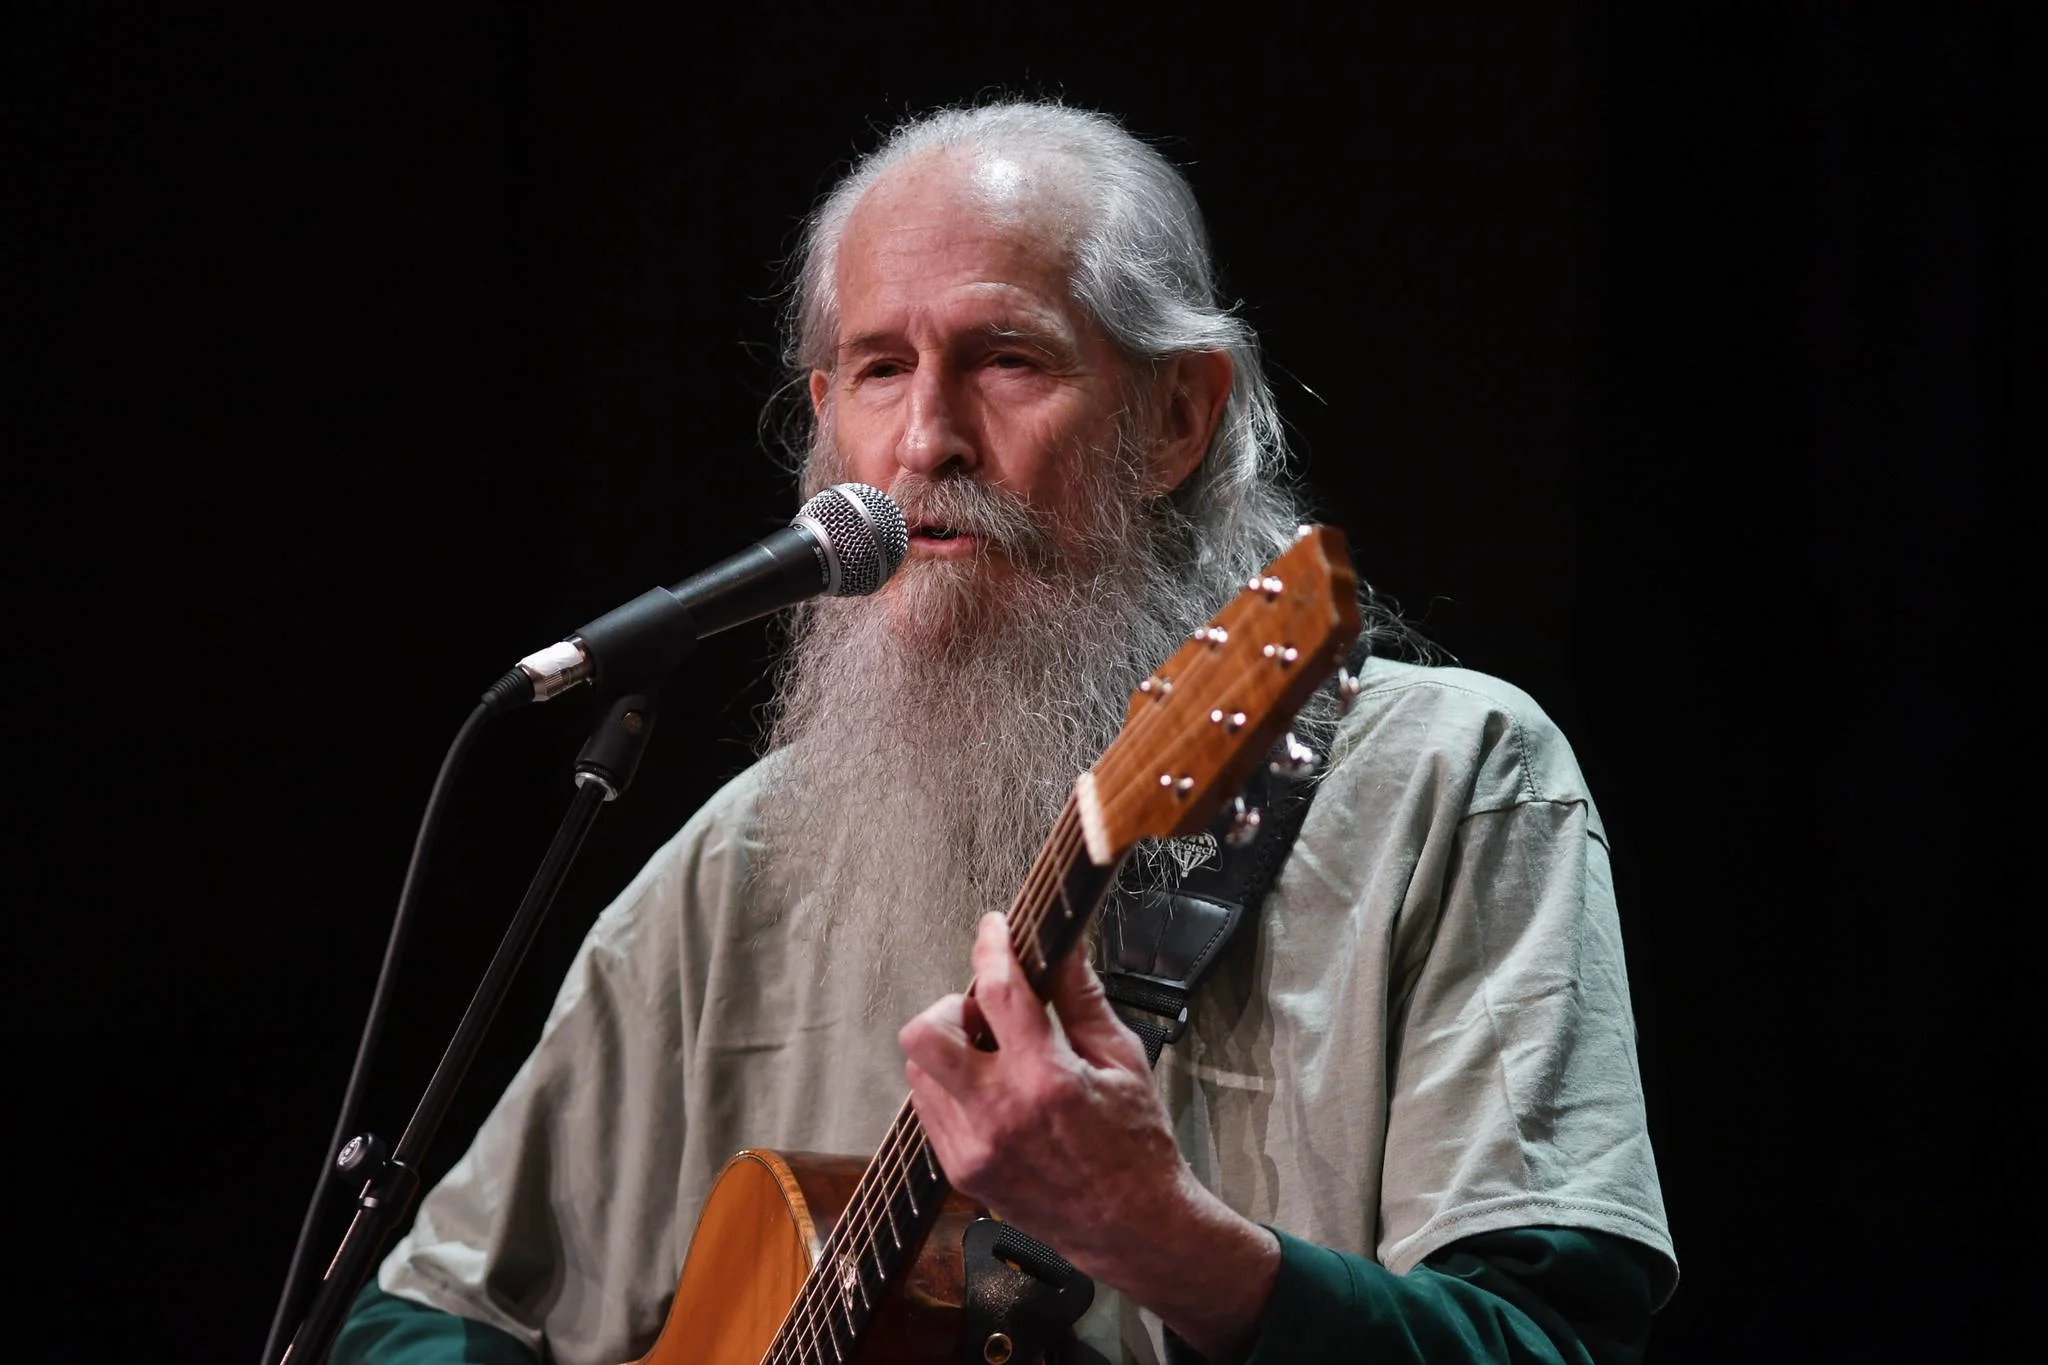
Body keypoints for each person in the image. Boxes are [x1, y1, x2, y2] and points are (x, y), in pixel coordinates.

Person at [335, 100, 1677, 1365]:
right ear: (826, 424)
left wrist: (1163, 1238)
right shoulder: (740, 864)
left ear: (1177, 417)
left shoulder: (1452, 782)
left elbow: (1547, 1341)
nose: (928, 439)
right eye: (880, 369)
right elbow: (416, 1316)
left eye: (1007, 359)